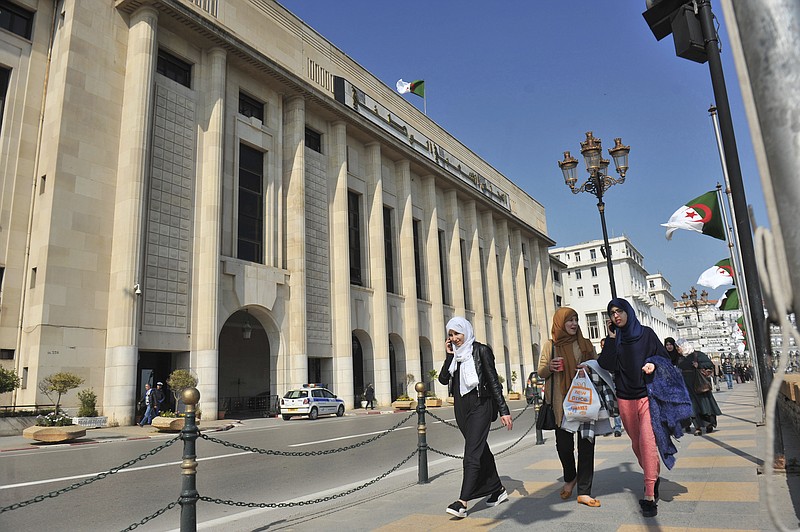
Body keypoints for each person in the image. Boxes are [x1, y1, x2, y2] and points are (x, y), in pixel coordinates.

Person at [598, 298, 692, 518]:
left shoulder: (647, 334)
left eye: (619, 311)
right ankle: (653, 474)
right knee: (637, 444)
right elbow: (606, 364)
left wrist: (653, 364)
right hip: (624, 398)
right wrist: (611, 339)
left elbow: (664, 359)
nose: (616, 316)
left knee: (648, 442)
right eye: (611, 313)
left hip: (647, 396)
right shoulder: (616, 338)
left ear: (628, 311)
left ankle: (649, 494)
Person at [438, 316, 512, 519]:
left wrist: (504, 410)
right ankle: (497, 489)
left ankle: (462, 502)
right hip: (462, 408)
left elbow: (493, 381)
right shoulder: (456, 356)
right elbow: (443, 379)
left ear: (466, 332)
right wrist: (449, 356)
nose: (454, 338)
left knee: (471, 451)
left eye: (457, 334)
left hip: (481, 404)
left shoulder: (480, 350)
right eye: (451, 335)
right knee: (479, 447)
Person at [538, 307, 602, 508]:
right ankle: (570, 476)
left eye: (576, 319)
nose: (574, 324)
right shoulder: (551, 345)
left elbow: (598, 368)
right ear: (560, 323)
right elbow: (540, 371)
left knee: (586, 446)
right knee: (564, 447)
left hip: (584, 402)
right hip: (561, 404)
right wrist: (551, 367)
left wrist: (589, 368)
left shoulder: (586, 345)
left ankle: (584, 491)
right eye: (569, 320)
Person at [674, 339, 722, 435]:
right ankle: (697, 427)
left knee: (704, 405)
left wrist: (698, 365)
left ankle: (709, 424)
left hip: (699, 384)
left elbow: (709, 364)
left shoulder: (697, 354)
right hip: (686, 386)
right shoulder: (680, 358)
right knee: (692, 407)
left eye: (678, 347)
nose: (677, 349)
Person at [601, 338, 624, 438]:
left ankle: (618, 427)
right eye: (602, 345)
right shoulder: (600, 356)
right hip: (603, 384)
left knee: (615, 405)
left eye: (604, 345)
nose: (603, 347)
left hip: (614, 382)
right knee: (606, 406)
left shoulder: (615, 354)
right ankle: (607, 428)